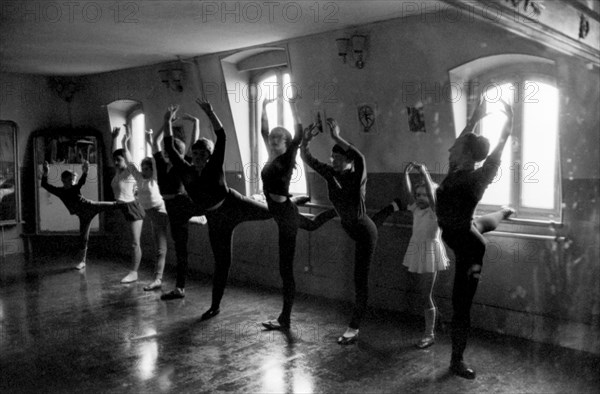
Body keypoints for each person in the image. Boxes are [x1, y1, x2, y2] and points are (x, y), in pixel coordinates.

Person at [162, 99, 274, 320]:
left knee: (271, 213)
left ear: (210, 156)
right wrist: (166, 121)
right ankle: (215, 306)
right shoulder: (186, 170)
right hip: (215, 218)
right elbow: (169, 147)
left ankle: (291, 205)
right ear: (191, 156)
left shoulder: (214, 166)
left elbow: (222, 136)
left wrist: (211, 112)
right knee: (223, 263)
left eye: (203, 155)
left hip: (234, 204)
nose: (199, 159)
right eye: (196, 155)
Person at [436, 98, 514, 379]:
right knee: (477, 224)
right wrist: (474, 117)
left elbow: (497, 153)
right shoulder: (454, 169)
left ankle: (457, 361)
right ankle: (503, 211)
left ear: (466, 155)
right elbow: (460, 142)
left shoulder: (477, 178)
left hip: (469, 249)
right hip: (460, 231)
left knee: (461, 306)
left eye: (455, 148)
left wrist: (509, 123)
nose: (449, 149)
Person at [260, 98, 337, 331]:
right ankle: (336, 210)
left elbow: (299, 133)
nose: (272, 140)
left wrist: (294, 108)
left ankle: (285, 318)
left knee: (286, 271)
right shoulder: (271, 156)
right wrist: (263, 108)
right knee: (311, 224)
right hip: (285, 211)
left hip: (285, 217)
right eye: (272, 138)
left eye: (277, 138)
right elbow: (264, 131)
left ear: (285, 143)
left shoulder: (288, 156)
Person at [300, 117, 378, 344]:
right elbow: (308, 159)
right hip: (348, 224)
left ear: (349, 161)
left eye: (339, 158)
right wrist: (304, 142)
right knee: (315, 223)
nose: (333, 160)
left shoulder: (358, 176)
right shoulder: (330, 172)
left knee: (359, 279)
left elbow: (361, 158)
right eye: (332, 157)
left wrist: (336, 137)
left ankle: (354, 327)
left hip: (364, 231)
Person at [371, 162, 449, 349]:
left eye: (424, 195)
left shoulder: (434, 211)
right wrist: (406, 173)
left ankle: (429, 334)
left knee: (425, 295)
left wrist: (424, 171)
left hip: (430, 252)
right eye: (418, 195)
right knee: (424, 295)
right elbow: (408, 194)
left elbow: (432, 194)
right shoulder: (417, 209)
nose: (421, 198)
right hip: (417, 250)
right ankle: (437, 320)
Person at [41, 160, 119, 270]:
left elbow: (81, 182)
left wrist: (86, 172)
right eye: (71, 180)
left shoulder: (74, 188)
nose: (73, 182)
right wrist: (46, 172)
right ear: (64, 180)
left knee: (114, 205)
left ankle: (128, 203)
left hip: (91, 207)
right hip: (84, 216)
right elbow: (44, 185)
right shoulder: (60, 191)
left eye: (73, 180)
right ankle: (82, 261)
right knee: (83, 238)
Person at [150, 119, 197, 300]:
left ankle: (180, 288)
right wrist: (165, 122)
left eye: (168, 150)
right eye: (164, 150)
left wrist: (196, 123)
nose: (164, 152)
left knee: (180, 249)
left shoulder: (182, 164)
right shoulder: (161, 164)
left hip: (181, 204)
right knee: (179, 246)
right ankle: (180, 287)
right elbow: (155, 141)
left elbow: (193, 144)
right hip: (171, 206)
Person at [119, 126, 169, 291]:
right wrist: (124, 143)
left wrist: (150, 142)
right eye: (143, 168)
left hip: (162, 211)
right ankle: (158, 279)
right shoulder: (139, 178)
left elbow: (155, 159)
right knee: (160, 249)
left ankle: (198, 218)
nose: (144, 170)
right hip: (153, 216)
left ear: (152, 170)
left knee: (183, 220)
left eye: (147, 168)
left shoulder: (154, 178)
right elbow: (129, 161)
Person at [111, 127, 146, 284]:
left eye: (119, 160)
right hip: (123, 207)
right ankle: (133, 270)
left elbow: (129, 160)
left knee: (134, 243)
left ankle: (134, 272)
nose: (116, 162)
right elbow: (115, 155)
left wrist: (125, 143)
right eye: (115, 160)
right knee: (131, 242)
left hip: (133, 208)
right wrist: (114, 138)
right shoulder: (118, 173)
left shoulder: (129, 172)